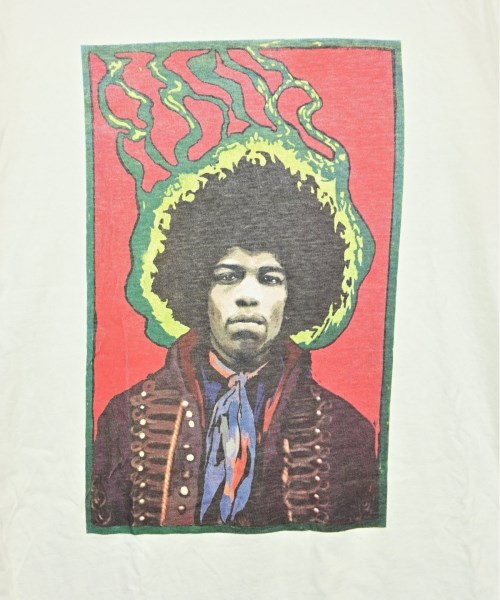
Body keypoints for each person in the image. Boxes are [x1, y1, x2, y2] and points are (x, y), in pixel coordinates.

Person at [91, 160, 379, 529]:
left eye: (270, 279)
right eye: (228, 276)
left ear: (295, 296)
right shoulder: (126, 418)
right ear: (199, 289)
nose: (248, 296)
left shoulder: (347, 430)